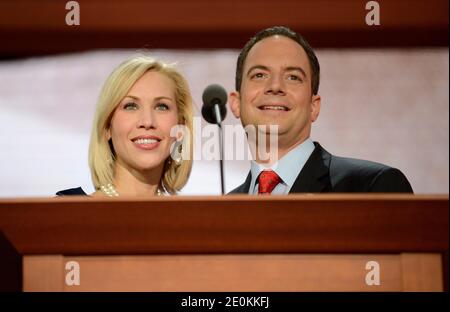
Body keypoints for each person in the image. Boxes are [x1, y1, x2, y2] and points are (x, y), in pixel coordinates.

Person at [228, 26, 413, 194]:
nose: (275, 86)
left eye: (293, 77)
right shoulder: (222, 211)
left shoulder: (374, 187)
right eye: (259, 75)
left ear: (313, 107)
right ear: (236, 103)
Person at [57, 56, 193, 197]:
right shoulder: (64, 211)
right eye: (131, 106)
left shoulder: (192, 217)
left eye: (161, 106)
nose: (147, 122)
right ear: (107, 127)